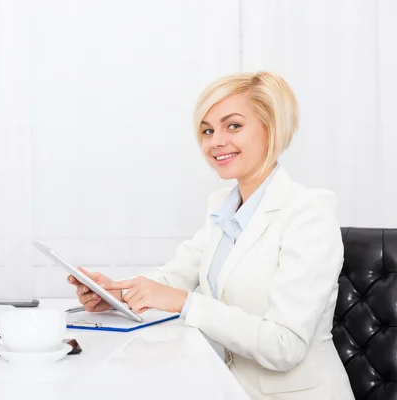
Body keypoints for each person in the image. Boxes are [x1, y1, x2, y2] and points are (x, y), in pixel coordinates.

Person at [67, 71, 355, 399]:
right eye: (207, 130)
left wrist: (185, 303)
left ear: (271, 127)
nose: (215, 141)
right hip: (226, 387)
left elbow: (284, 345)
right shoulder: (222, 206)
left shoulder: (309, 211)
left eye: (233, 125)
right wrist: (115, 293)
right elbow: (173, 277)